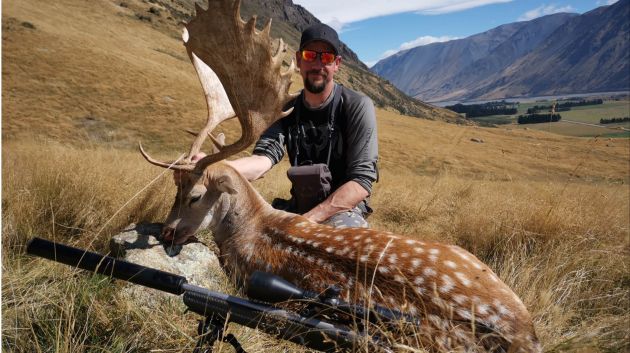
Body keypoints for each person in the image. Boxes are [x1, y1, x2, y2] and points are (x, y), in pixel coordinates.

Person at [226, 23, 378, 228]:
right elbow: (262, 160)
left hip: (344, 209)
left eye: (326, 58)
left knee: (345, 244)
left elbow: (362, 180)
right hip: (300, 207)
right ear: (299, 60)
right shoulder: (285, 109)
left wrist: (307, 221)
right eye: (309, 56)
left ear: (337, 64)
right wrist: (217, 167)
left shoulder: (357, 106)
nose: (317, 64)